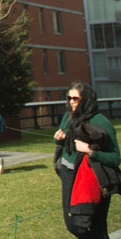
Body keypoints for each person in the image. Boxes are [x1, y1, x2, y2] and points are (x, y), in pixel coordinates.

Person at [54, 81, 121, 238]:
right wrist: (59, 140)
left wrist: (90, 151)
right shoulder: (67, 117)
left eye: (75, 99)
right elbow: (63, 143)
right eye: (69, 98)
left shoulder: (101, 122)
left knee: (98, 227)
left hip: (93, 179)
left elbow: (115, 158)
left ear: (87, 99)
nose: (71, 102)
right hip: (69, 176)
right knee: (73, 225)